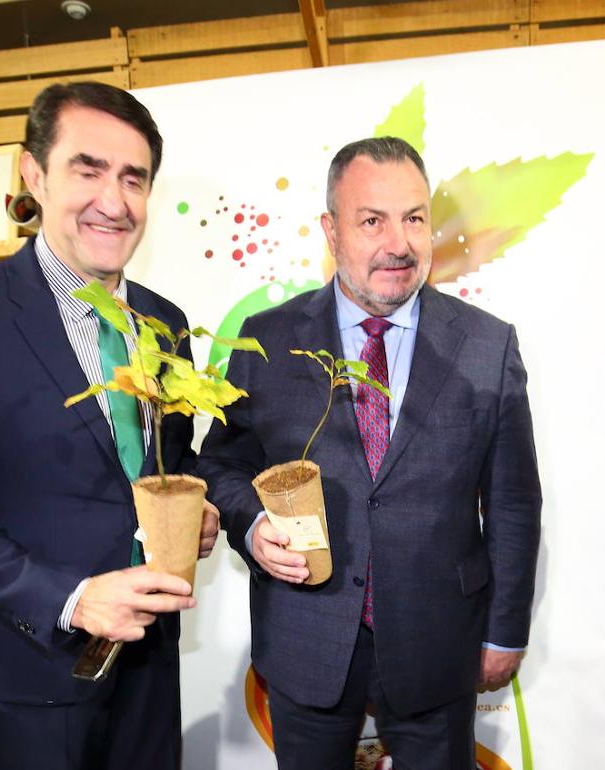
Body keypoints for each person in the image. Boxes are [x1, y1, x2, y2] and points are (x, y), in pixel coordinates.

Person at [0, 82, 219, 770]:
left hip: (151, 660)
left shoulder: (165, 322)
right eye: (87, 169)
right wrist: (70, 599)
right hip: (29, 671)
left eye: (134, 178)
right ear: (33, 173)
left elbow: (165, 466)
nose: (114, 199)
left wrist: (195, 512)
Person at [198, 136, 542, 770]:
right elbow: (220, 462)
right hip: (305, 636)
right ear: (331, 231)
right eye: (372, 220)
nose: (399, 243)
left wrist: (504, 630)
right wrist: (250, 524)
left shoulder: (487, 346)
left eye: (414, 218)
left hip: (438, 641)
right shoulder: (267, 341)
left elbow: (514, 503)